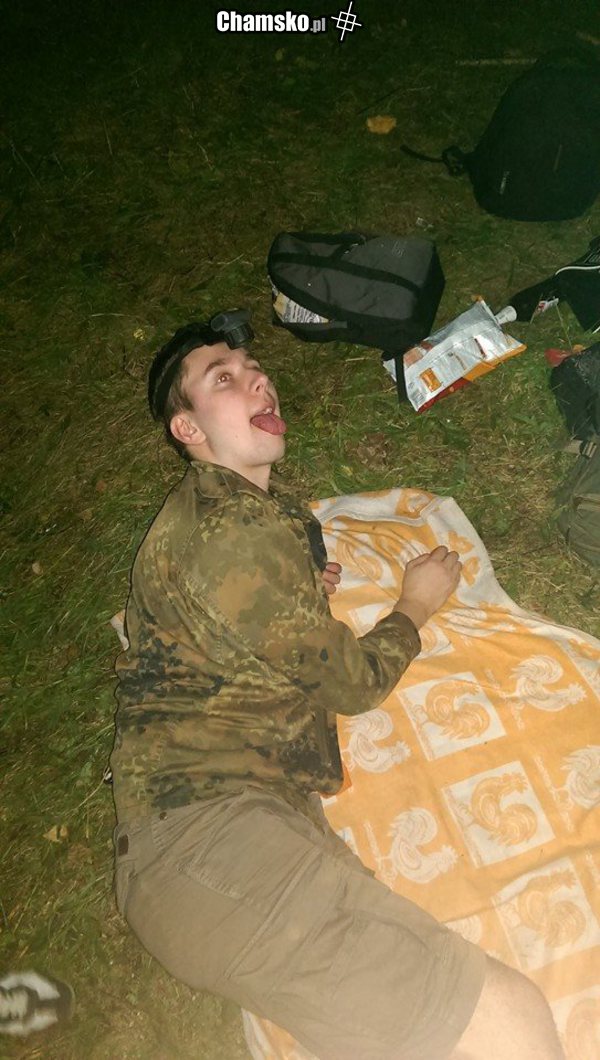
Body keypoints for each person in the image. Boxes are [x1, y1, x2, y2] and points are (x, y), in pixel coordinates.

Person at [110, 315, 564, 1060]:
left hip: (216, 847)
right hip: (207, 844)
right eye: (223, 378)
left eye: (252, 366)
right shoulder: (233, 537)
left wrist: (294, 587)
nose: (258, 378)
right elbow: (351, 685)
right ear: (187, 429)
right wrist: (414, 605)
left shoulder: (223, 512)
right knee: (504, 1014)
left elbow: (228, 603)